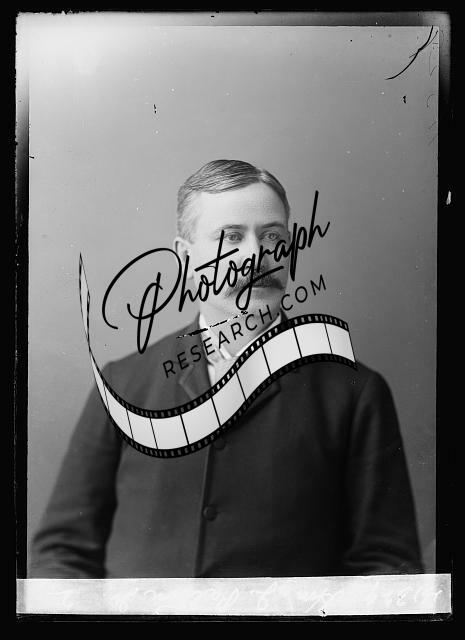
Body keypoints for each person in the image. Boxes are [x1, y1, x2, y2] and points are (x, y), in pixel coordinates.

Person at [30, 159, 423, 578]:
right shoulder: (122, 384)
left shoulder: (354, 392)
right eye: (231, 237)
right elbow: (61, 554)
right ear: (185, 257)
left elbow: (388, 567)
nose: (256, 255)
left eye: (273, 237)